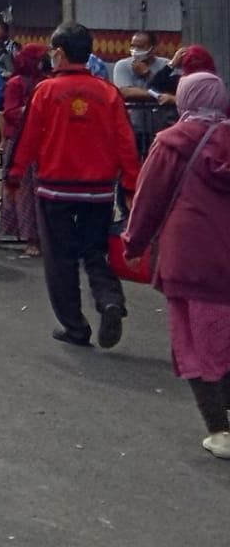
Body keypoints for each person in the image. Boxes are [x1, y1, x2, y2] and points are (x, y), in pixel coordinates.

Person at [8, 21, 139, 349]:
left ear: (60, 53)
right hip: (98, 190)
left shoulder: (45, 91)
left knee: (61, 259)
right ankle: (109, 299)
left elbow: (27, 138)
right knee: (95, 251)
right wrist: (131, 187)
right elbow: (126, 143)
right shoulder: (108, 93)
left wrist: (13, 176)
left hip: (55, 189)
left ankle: (75, 327)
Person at [122, 70, 230, 460]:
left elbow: (149, 197)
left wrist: (132, 242)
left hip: (190, 257)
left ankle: (220, 429)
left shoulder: (171, 143)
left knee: (196, 343)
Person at [0, 44, 51, 256]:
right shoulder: (15, 83)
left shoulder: (47, 82)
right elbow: (10, 112)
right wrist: (36, 112)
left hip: (45, 143)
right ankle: (31, 238)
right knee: (24, 193)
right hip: (21, 142)